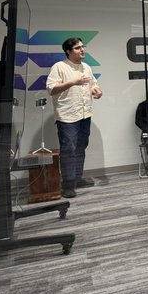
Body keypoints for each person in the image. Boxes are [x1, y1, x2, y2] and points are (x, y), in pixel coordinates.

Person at [46, 37, 103, 198]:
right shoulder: (59, 67)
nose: (82, 50)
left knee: (81, 147)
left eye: (82, 46)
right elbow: (51, 89)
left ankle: (77, 179)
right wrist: (72, 82)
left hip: (85, 114)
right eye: (78, 48)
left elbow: (93, 83)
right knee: (69, 151)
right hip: (67, 117)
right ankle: (68, 185)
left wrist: (97, 90)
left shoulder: (86, 67)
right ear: (68, 51)